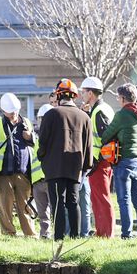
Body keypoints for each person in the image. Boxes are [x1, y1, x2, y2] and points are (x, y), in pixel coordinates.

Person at [37, 79, 92, 241]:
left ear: (59, 95)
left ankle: (59, 238)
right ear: (74, 96)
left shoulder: (51, 114)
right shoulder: (84, 117)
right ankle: (75, 237)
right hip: (75, 168)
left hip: (54, 168)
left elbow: (43, 142)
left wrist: (43, 158)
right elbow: (88, 146)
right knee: (73, 202)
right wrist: (85, 167)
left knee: (58, 203)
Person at [102, 83, 137, 239]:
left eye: (118, 97)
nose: (117, 99)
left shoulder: (122, 114)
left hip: (125, 160)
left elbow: (106, 136)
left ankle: (126, 234)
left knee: (124, 199)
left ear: (123, 98)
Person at [0, 92, 36, 237]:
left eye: (15, 111)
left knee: (25, 205)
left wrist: (30, 137)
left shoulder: (26, 122)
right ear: (3, 111)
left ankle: (30, 234)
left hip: (23, 172)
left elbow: (35, 144)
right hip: (3, 173)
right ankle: (8, 234)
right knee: (5, 206)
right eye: (10, 112)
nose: (13, 115)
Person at [81, 77, 116, 237]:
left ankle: (106, 233)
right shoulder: (100, 109)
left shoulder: (99, 111)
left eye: (83, 92)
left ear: (90, 93)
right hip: (101, 162)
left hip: (100, 162)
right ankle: (101, 232)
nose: (82, 95)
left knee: (102, 198)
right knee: (98, 199)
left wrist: (97, 160)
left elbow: (106, 137)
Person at [32, 104, 53, 239]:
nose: (42, 121)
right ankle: (44, 235)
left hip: (51, 179)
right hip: (37, 181)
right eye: (41, 118)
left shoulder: (56, 137)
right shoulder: (35, 137)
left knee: (55, 210)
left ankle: (58, 236)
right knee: (42, 213)